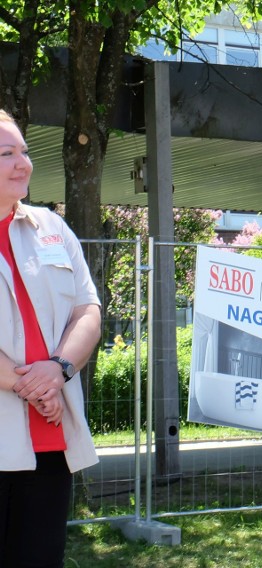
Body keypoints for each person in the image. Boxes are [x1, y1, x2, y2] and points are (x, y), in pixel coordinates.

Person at [0, 109, 102, 567]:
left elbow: (88, 311)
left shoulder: (53, 229)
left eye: (24, 151)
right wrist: (33, 384)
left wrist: (58, 370)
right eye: (6, 153)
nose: (23, 163)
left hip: (50, 439)